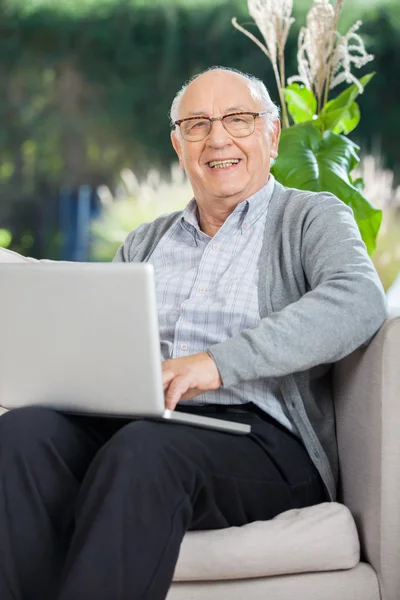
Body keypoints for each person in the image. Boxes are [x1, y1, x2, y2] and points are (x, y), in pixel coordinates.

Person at [0, 66, 388, 600]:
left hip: (264, 443)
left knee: (145, 450)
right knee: (22, 437)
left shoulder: (311, 218)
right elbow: (107, 347)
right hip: (141, 426)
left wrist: (215, 363)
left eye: (239, 119)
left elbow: (358, 299)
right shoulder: (145, 241)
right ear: (179, 146)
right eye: (198, 125)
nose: (218, 138)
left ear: (271, 136)